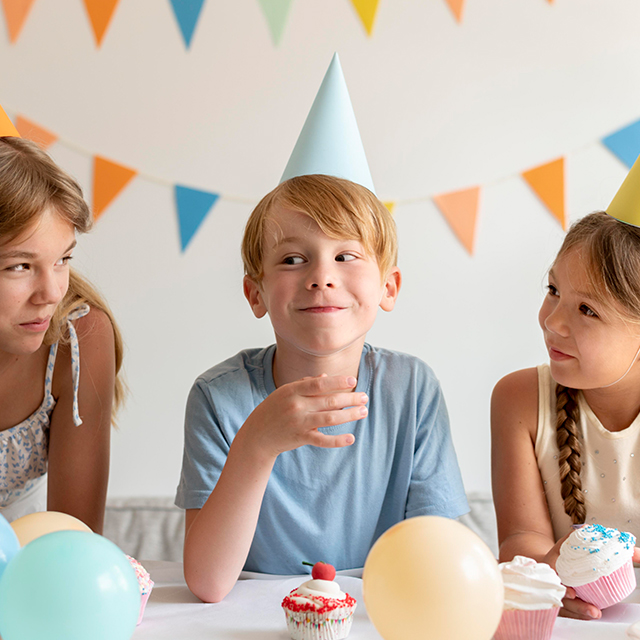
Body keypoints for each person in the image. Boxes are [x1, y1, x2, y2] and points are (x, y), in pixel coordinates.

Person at [175, 55, 468, 603]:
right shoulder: (219, 399)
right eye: (291, 260)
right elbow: (209, 584)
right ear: (254, 293)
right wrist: (255, 446)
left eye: (346, 256)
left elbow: (439, 558)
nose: (320, 278)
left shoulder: (412, 391)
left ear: (389, 287)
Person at [492, 210, 640, 620]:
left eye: (587, 310)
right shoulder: (519, 400)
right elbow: (522, 539)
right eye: (554, 289)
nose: (552, 321)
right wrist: (549, 567)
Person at [0, 127, 124, 533]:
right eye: (19, 266)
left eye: (63, 259)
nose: (51, 294)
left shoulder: (78, 337)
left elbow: (76, 542)